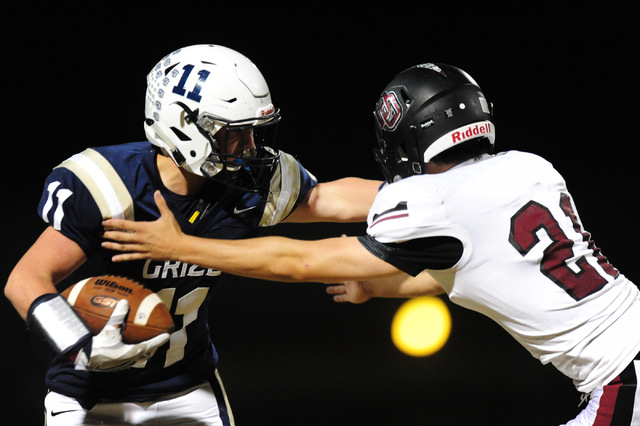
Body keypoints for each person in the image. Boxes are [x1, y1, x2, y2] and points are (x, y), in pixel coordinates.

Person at [103, 62, 640, 425]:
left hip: (624, 371)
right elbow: (469, 271)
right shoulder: (529, 169)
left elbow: (299, 260)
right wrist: (381, 289)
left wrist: (182, 244)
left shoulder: (439, 201)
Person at [4, 44, 380, 425]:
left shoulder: (246, 185)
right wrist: (79, 343)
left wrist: (429, 195)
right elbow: (25, 279)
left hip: (186, 387)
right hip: (86, 392)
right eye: (234, 133)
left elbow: (329, 198)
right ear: (182, 124)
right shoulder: (110, 186)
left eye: (252, 132)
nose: (250, 147)